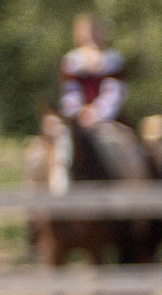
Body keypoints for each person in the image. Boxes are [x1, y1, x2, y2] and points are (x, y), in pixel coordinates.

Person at [53, 15, 147, 181]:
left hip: (107, 119)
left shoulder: (113, 59)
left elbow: (114, 93)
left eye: (96, 31)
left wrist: (96, 113)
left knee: (125, 147)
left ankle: (135, 190)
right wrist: (78, 112)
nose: (92, 36)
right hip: (76, 118)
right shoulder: (72, 60)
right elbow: (70, 91)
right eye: (87, 31)